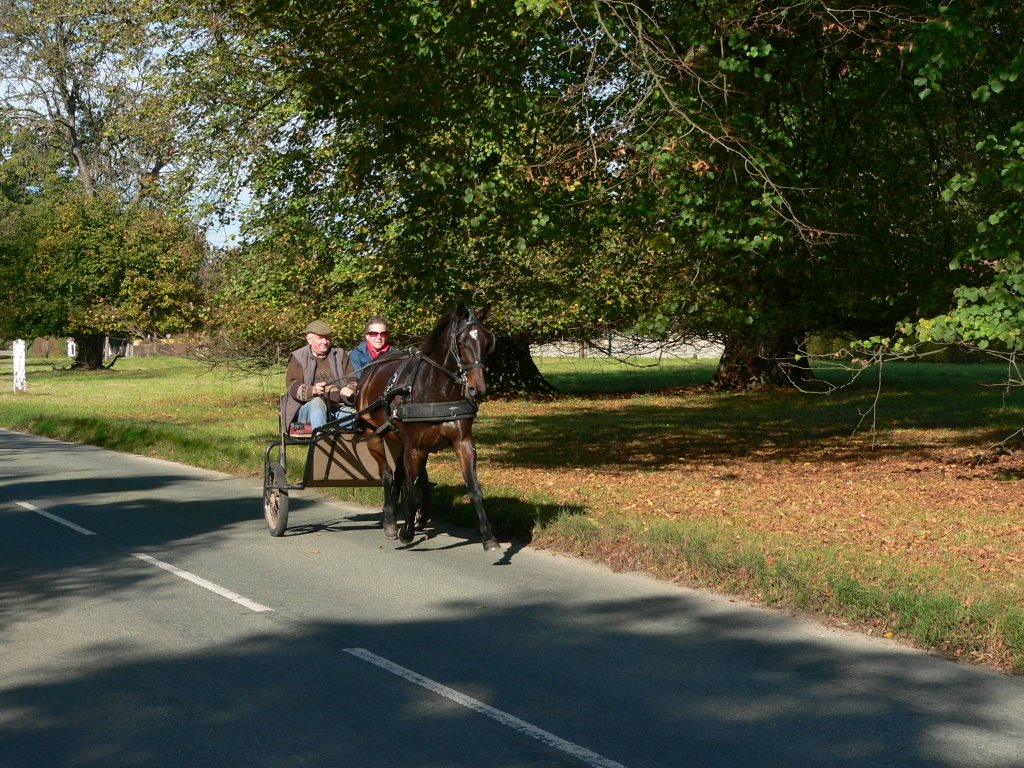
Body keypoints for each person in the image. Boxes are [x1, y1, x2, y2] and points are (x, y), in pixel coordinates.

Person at [283, 320, 358, 431]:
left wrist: (350, 388)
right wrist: (312, 390)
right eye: (320, 338)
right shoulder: (299, 357)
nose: (325, 342)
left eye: (327, 338)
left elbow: (352, 376)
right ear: (309, 340)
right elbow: (293, 384)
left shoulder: (339, 354)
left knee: (361, 417)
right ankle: (322, 442)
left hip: (336, 408)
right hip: (306, 409)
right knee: (318, 403)